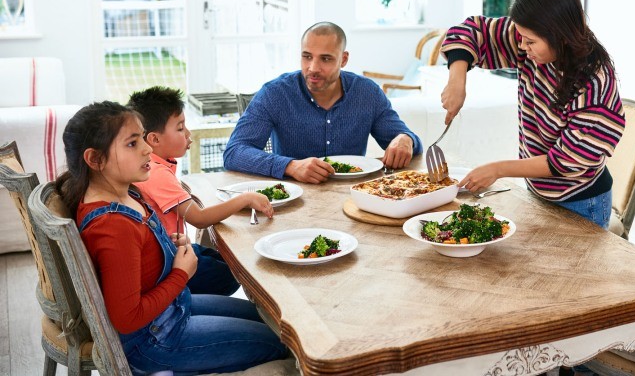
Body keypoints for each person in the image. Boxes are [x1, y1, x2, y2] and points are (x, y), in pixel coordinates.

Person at [55, 101, 288, 373]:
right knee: (279, 342)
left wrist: (162, 247)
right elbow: (127, 319)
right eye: (132, 144)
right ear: (95, 159)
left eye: (142, 137)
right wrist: (181, 274)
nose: (147, 148)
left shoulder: (126, 193)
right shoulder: (113, 225)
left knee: (275, 322)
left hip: (173, 310)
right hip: (156, 339)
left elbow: (134, 258)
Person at [440, 0, 626, 229]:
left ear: (560, 36)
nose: (521, 45)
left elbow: (564, 160)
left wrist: (498, 169)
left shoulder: (594, 81)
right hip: (537, 192)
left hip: (582, 201)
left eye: (530, 41)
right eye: (520, 37)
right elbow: (472, 31)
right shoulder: (529, 40)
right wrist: (457, 80)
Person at [223, 21, 423, 183]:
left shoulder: (367, 93)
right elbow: (234, 152)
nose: (313, 68)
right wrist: (291, 166)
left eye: (325, 59)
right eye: (307, 56)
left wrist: (405, 139)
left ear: (343, 60)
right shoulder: (275, 93)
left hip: (353, 198)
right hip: (294, 200)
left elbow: (407, 141)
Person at [128, 86, 275, 296]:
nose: (189, 134)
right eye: (180, 128)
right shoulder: (156, 172)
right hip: (168, 262)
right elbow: (199, 218)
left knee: (230, 260)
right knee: (234, 273)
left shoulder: (155, 165)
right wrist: (245, 199)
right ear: (154, 139)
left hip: (173, 247)